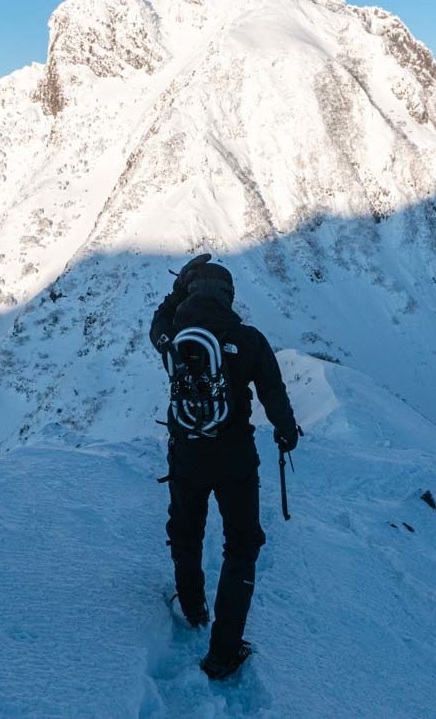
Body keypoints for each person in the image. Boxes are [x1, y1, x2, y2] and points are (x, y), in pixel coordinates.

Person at [150, 254, 299, 680]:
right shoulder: (248, 339)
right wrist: (286, 432)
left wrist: (177, 288)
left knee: (186, 531)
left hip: (186, 452)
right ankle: (223, 652)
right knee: (241, 546)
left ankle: (193, 607)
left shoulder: (174, 336)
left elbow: (155, 323)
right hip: (235, 458)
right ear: (229, 296)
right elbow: (273, 392)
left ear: (193, 292)